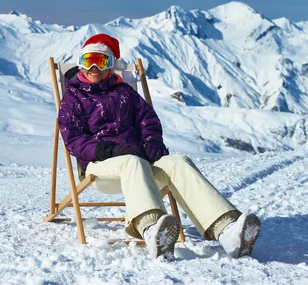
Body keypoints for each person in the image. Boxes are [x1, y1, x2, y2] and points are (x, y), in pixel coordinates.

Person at [58, 33, 261, 259]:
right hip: (100, 166)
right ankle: (151, 229)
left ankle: (226, 230)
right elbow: (73, 140)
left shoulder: (125, 92)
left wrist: (152, 140)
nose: (94, 67)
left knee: (179, 162)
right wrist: (109, 150)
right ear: (80, 63)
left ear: (111, 66)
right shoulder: (73, 97)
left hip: (138, 160)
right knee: (131, 162)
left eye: (101, 61)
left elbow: (148, 120)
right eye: (88, 61)